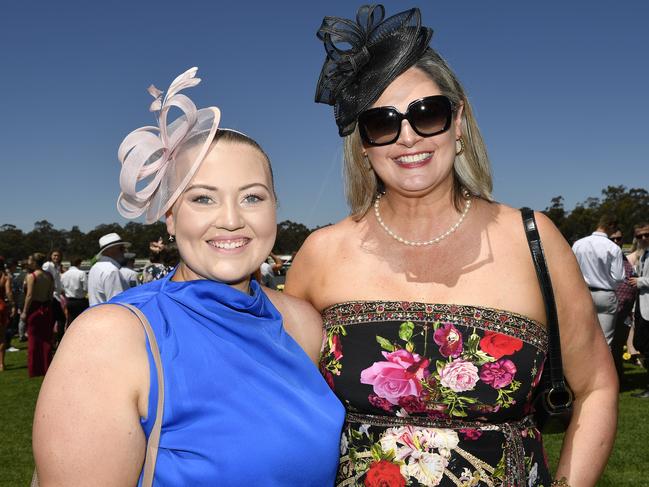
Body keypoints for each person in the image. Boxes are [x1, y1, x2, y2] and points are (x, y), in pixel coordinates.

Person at [285, 5, 617, 486]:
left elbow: (597, 386)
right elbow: (279, 398)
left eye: (428, 113)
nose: (407, 137)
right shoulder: (320, 253)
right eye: (382, 122)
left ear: (457, 121)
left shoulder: (533, 239)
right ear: (363, 142)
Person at [33, 67, 343, 485]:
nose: (231, 220)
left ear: (275, 209)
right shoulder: (111, 338)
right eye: (202, 198)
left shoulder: (301, 323)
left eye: (252, 196)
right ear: (171, 218)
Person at [572, 216, 625, 347]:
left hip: (583, 293)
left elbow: (572, 271)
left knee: (582, 336)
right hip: (605, 294)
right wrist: (608, 284)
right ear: (611, 226)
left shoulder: (578, 244)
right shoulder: (613, 248)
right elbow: (619, 277)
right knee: (605, 341)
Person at [608, 229, 638, 382]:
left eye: (618, 239)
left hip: (623, 314)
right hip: (606, 312)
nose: (616, 242)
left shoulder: (625, 261)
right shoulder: (603, 259)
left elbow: (632, 282)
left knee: (617, 349)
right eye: (612, 239)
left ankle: (618, 379)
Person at [21, 253, 55, 377]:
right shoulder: (49, 276)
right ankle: (47, 366)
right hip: (46, 309)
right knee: (46, 339)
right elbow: (51, 295)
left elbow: (29, 295)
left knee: (33, 339)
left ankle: (35, 368)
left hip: (34, 309)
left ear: (35, 262)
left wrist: (25, 311)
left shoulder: (32, 276)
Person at [629, 222, 649, 398]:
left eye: (646, 234)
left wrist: (640, 281)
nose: (643, 238)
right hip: (642, 307)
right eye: (639, 236)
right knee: (641, 346)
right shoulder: (643, 255)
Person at [87, 233, 130, 305]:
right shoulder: (111, 270)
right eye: (121, 248)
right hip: (110, 315)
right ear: (110, 250)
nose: (124, 251)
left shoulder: (94, 268)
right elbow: (117, 303)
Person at [60, 256, 89, 327]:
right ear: (79, 263)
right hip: (80, 301)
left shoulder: (64, 275)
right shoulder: (81, 273)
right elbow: (86, 288)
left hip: (69, 301)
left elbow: (61, 289)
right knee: (82, 321)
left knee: (70, 321)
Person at [0, 259, 14, 371]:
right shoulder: (5, 277)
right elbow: (8, 292)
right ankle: (1, 364)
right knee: (2, 337)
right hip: (1, 306)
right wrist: (12, 304)